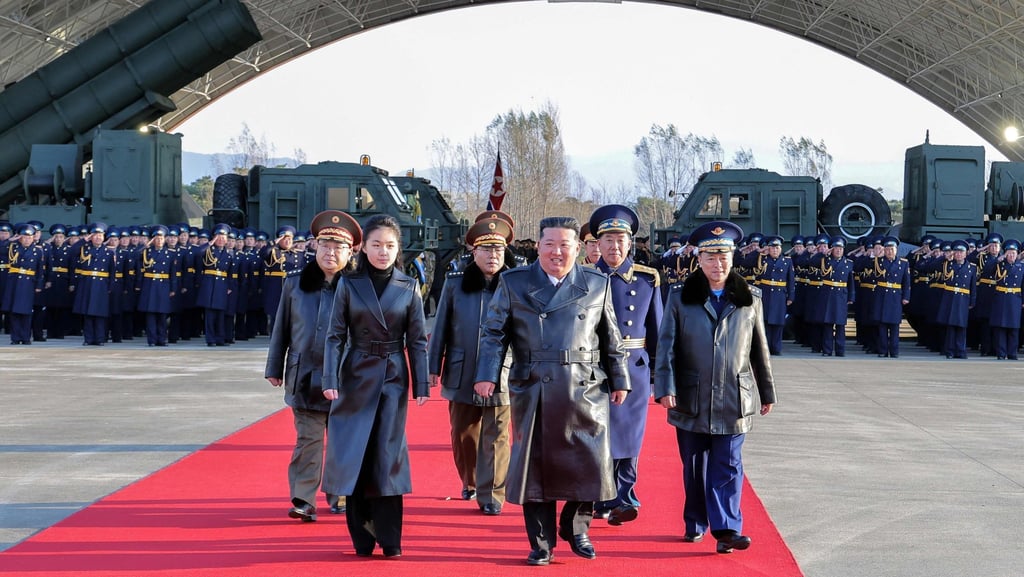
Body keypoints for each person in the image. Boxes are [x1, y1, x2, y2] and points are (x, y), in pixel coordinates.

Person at [473, 216, 630, 566]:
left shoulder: (595, 282)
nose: (557, 252)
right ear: (537, 246)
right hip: (535, 384)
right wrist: (487, 374)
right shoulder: (514, 282)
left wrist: (620, 379)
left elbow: (611, 337)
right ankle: (540, 543)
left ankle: (577, 529)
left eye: (565, 245)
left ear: (578, 247)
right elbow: (494, 333)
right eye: (549, 244)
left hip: (586, 385)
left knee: (589, 462)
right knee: (536, 468)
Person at [654, 220, 776, 554]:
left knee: (729, 464)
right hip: (691, 395)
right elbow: (666, 347)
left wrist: (767, 393)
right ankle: (695, 520)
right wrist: (664, 386)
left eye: (723, 257)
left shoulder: (751, 299)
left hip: (735, 396)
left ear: (733, 258)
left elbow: (759, 351)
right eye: (710, 257)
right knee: (695, 466)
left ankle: (727, 529)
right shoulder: (680, 298)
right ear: (699, 259)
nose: (717, 264)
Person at [321, 214, 430, 559]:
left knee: (388, 456)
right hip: (355, 374)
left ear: (398, 248)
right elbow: (335, 335)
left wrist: (422, 383)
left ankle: (391, 538)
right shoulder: (348, 285)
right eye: (376, 244)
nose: (383, 251)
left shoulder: (408, 286)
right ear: (363, 247)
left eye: (390, 245)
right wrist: (329, 378)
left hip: (393, 377)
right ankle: (363, 538)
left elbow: (418, 340)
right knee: (357, 454)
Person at [266, 210, 361, 522]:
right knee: (308, 440)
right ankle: (304, 499)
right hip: (304, 375)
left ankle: (341, 494)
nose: (330, 253)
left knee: (342, 439)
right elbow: (281, 329)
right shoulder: (295, 285)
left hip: (347, 378)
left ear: (350, 252)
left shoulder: (360, 288)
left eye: (338, 248)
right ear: (314, 247)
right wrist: (274, 367)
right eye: (324, 246)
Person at [428, 215, 516, 515]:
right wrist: (432, 368)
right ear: (474, 253)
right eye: (486, 250)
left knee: (498, 435)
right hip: (462, 368)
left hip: (503, 371)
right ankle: (472, 480)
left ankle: (493, 493)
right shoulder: (455, 285)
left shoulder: (516, 284)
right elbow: (439, 328)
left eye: (498, 251)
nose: (493, 256)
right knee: (464, 433)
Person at [587, 204, 662, 526]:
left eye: (621, 240)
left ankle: (625, 496)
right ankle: (598, 496)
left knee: (629, 437)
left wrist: (662, 375)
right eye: (608, 241)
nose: (614, 247)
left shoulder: (648, 279)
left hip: (634, 367)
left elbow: (658, 330)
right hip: (595, 369)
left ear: (631, 243)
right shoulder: (586, 278)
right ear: (597, 245)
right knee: (596, 435)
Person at [135, 225, 178, 347]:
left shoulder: (170, 254)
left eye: (161, 238)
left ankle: (162, 339)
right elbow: (134, 256)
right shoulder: (146, 252)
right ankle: (152, 340)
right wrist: (146, 245)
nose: (159, 241)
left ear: (165, 240)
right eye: (156, 238)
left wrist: (173, 288)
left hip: (163, 286)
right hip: (150, 285)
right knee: (150, 315)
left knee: (162, 315)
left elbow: (173, 273)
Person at [870, 236, 911, 358]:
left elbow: (906, 282)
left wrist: (906, 297)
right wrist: (875, 255)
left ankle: (894, 351)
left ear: (896, 250)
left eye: (892, 249)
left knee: (894, 326)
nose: (889, 252)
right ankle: (882, 350)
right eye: (887, 249)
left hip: (895, 297)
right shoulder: (878, 261)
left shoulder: (903, 263)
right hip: (882, 295)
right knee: (882, 325)